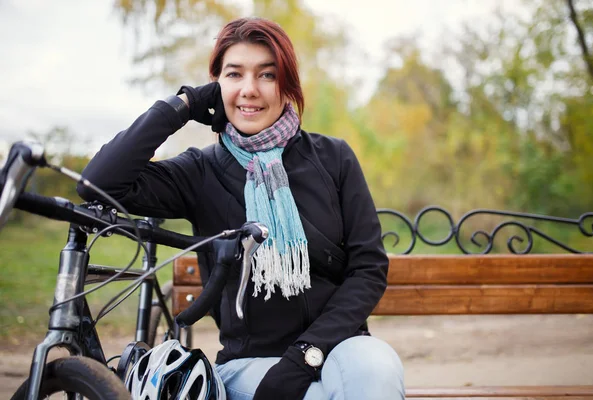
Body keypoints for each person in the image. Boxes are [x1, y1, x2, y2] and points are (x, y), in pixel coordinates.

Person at [78, 16, 405, 400]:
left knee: (377, 373)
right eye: (234, 75)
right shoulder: (199, 172)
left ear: (287, 86)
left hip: (339, 345)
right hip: (249, 362)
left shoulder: (333, 158)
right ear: (217, 85)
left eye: (267, 75)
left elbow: (368, 268)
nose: (249, 89)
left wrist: (305, 356)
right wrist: (184, 104)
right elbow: (99, 181)